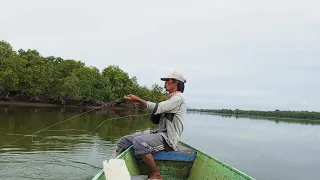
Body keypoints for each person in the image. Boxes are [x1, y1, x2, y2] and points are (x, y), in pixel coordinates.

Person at [116, 71, 187, 180]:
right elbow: (156, 119)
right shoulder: (171, 99)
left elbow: (158, 107)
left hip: (168, 139)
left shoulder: (179, 99)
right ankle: (118, 170)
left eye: (167, 81)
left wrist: (138, 99)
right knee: (123, 141)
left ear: (176, 83)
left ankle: (156, 174)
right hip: (159, 133)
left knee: (139, 142)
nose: (165, 83)